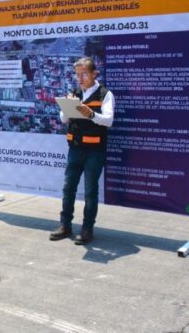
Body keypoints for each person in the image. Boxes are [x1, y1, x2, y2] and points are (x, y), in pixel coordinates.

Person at [49, 57, 115, 245]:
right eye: (77, 74)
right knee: (68, 188)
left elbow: (109, 120)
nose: (80, 78)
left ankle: (87, 229)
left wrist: (91, 114)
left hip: (94, 151)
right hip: (75, 149)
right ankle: (65, 225)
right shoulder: (75, 92)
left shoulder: (105, 94)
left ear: (94, 74)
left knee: (90, 191)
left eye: (84, 74)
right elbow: (63, 120)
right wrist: (68, 106)